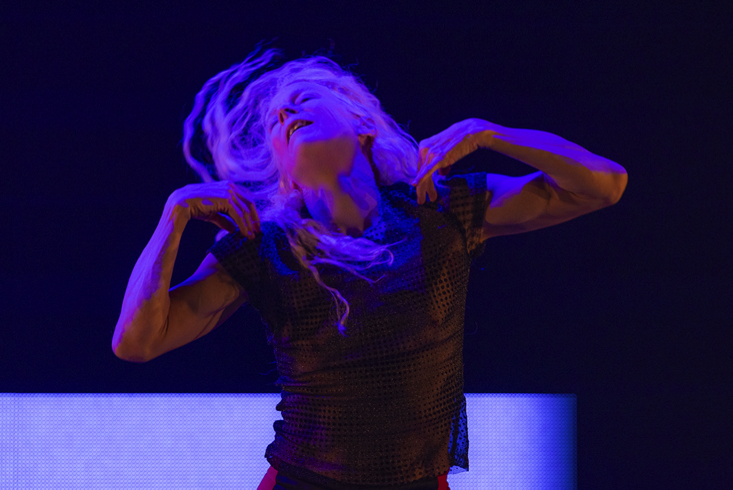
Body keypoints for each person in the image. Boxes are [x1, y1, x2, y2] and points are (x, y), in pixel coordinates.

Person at [112, 47, 627, 490]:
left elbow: (604, 185)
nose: (286, 113)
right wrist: (173, 215)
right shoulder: (263, 247)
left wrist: (488, 133)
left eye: (304, 100)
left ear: (360, 122)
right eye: (275, 120)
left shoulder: (439, 209)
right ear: (282, 168)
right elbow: (136, 342)